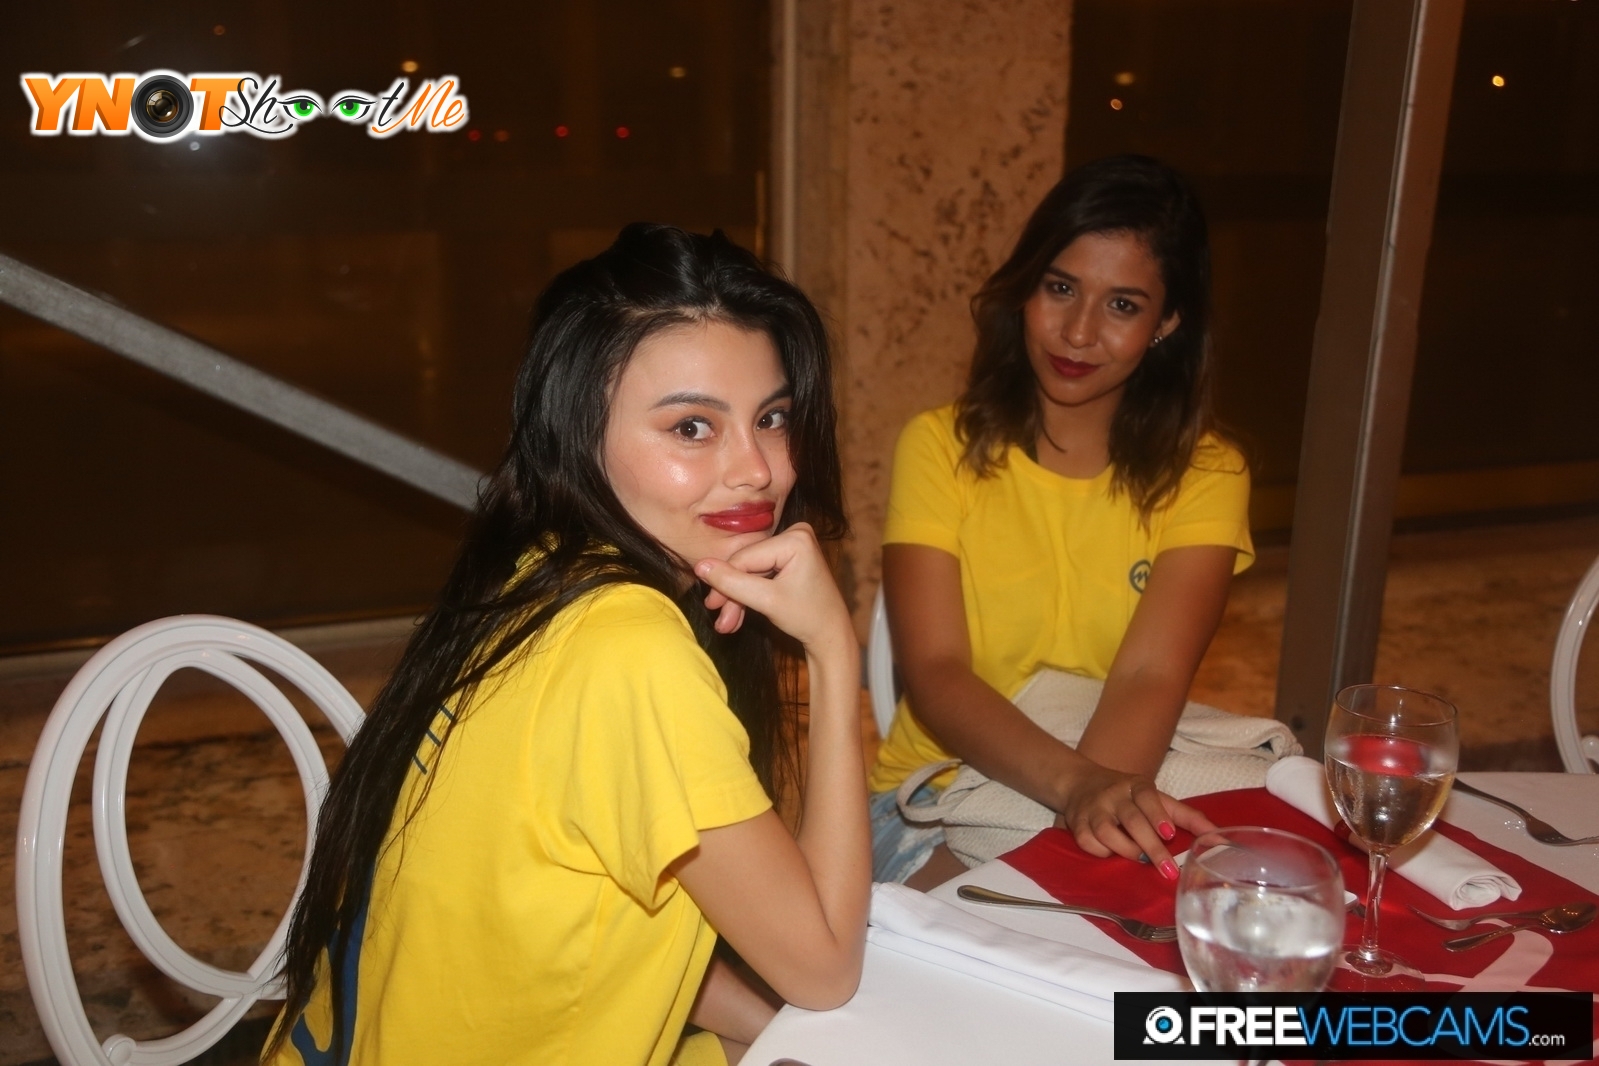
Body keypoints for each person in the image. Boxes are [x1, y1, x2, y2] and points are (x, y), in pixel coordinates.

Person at [264, 224, 869, 1066]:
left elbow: (621, 915)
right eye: (691, 428)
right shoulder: (630, 652)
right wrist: (833, 653)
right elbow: (826, 966)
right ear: (579, 434)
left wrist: (760, 1030)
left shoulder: (535, 573)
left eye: (771, 417)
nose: (757, 469)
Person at [868, 155, 1250, 887]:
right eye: (1061, 288)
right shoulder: (939, 446)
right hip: (935, 797)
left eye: (1122, 305)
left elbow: (1148, 676)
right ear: (1025, 288)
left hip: (1109, 781)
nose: (1077, 332)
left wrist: (1078, 824)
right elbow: (937, 674)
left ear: (1167, 322)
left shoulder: (1208, 474)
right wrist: (1079, 793)